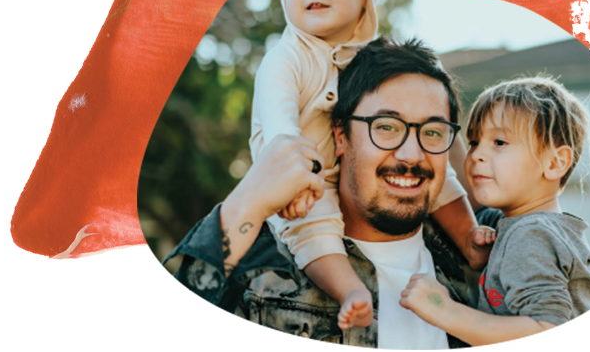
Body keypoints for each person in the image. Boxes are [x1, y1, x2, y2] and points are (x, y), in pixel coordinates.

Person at [166, 38, 494, 349]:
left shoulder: (496, 254)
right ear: (340, 135)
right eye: (386, 127)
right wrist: (247, 200)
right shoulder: (262, 269)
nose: (411, 154)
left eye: (433, 132)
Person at [246, 0, 490, 330]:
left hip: (339, 171)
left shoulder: (375, 58)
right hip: (302, 181)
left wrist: (438, 135)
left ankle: (468, 236)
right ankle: (350, 289)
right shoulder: (286, 59)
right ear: (343, 133)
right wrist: (292, 182)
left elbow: (436, 134)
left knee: (437, 170)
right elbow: (279, 127)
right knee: (313, 228)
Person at [400, 76, 590, 346]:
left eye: (499, 143)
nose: (476, 155)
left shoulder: (531, 236)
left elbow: (547, 330)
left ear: (555, 162)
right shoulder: (511, 225)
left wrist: (443, 310)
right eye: (473, 142)